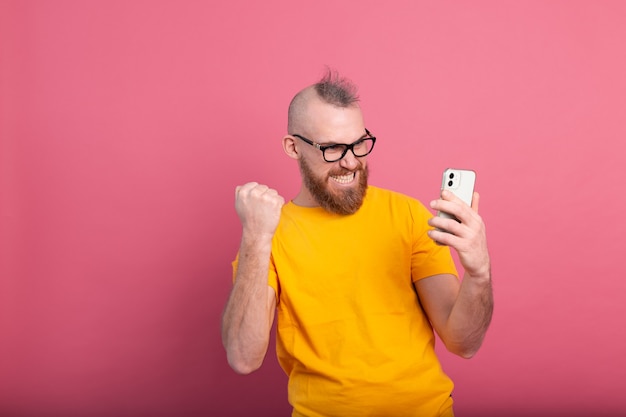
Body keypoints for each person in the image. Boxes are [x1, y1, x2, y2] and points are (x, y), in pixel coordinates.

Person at [221, 70, 493, 417]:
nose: (351, 162)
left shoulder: (406, 214)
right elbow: (243, 358)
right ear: (293, 147)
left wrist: (479, 272)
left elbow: (463, 343)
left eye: (359, 143)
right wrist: (256, 239)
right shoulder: (269, 233)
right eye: (332, 148)